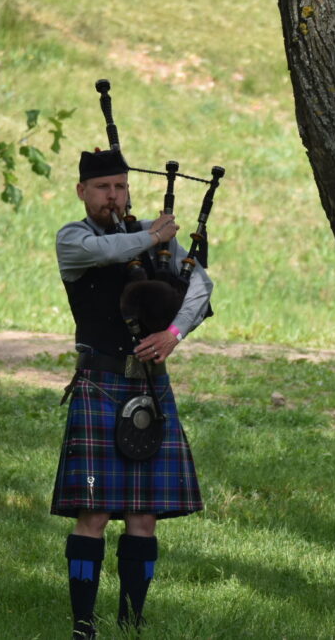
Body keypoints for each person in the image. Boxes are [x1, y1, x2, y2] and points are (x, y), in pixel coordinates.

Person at [51, 148, 213, 638]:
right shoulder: (73, 239)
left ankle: (131, 624)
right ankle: (83, 625)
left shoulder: (154, 241)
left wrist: (173, 334)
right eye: (103, 188)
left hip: (148, 384)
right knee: (94, 513)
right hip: (99, 383)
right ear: (82, 191)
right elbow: (108, 253)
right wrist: (151, 236)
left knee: (144, 516)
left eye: (120, 187)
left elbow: (201, 286)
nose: (113, 196)